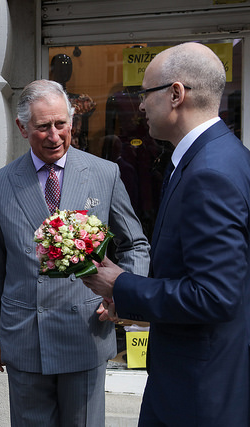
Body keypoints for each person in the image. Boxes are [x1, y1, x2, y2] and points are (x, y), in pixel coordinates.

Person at [82, 42, 250, 426]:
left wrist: (119, 284)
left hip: (199, 390)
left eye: (145, 94)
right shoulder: (221, 156)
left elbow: (214, 296)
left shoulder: (210, 172)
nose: (139, 105)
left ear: (176, 94)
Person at [0, 79, 150, 426]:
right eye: (43, 127)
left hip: (84, 331)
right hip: (25, 334)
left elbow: (136, 244)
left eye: (61, 124)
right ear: (22, 128)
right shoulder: (0, 183)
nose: (54, 136)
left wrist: (123, 295)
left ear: (72, 122)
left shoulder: (105, 173)